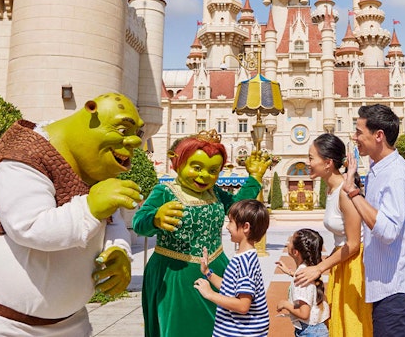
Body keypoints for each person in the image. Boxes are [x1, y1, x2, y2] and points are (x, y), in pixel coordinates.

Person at [0, 92, 144, 337]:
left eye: (136, 133)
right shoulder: (21, 159)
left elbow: (112, 222)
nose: (135, 143)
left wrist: (119, 250)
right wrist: (90, 207)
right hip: (1, 326)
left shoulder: (94, 170)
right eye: (122, 129)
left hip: (71, 324)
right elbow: (29, 227)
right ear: (90, 111)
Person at [132, 131, 272, 337]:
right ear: (177, 162)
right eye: (197, 168)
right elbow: (138, 223)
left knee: (224, 328)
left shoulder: (214, 191)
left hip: (217, 270)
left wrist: (254, 178)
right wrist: (155, 219)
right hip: (174, 275)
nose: (204, 175)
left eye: (213, 170)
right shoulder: (164, 191)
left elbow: (237, 208)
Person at [341, 104, 405, 337]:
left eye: (358, 132)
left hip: (395, 286)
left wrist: (353, 192)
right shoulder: (378, 169)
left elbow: (387, 230)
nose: (354, 138)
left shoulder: (395, 173)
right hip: (385, 284)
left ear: (378, 135)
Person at [293, 133, 372, 337]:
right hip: (342, 261)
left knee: (353, 323)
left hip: (355, 265)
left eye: (311, 158)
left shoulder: (344, 192)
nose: (308, 163)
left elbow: (354, 243)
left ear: (328, 163)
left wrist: (319, 268)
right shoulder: (332, 189)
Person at [194, 198, 271, 337]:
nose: (227, 227)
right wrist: (207, 272)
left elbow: (243, 306)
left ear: (246, 227)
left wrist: (210, 294)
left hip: (240, 333)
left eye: (231, 222)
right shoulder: (242, 258)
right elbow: (229, 287)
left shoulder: (245, 263)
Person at [276, 228, 330, 337]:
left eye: (290, 241)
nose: (288, 242)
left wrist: (285, 304)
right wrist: (291, 272)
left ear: (295, 252)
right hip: (318, 329)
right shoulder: (311, 270)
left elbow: (304, 313)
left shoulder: (301, 279)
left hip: (309, 331)